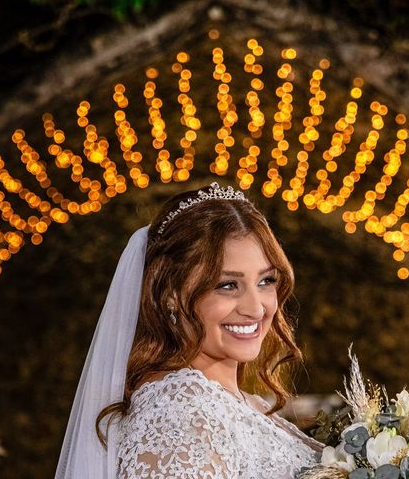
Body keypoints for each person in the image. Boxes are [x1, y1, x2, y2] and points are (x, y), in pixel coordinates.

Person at [55, 182, 322, 479]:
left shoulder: (243, 404)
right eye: (227, 285)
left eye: (266, 281)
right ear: (171, 293)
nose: (256, 308)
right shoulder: (181, 414)